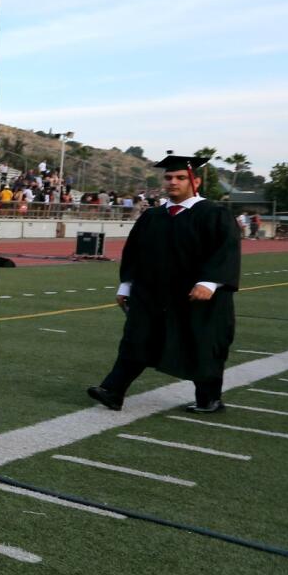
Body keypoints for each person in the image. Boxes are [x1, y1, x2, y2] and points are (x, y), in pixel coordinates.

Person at [87, 155, 241, 413]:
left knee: (202, 344)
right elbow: (134, 253)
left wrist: (209, 282)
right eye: (168, 177)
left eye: (180, 178)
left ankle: (209, 399)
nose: (173, 182)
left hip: (197, 295)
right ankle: (113, 390)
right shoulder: (152, 216)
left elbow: (225, 251)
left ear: (196, 181)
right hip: (152, 294)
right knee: (137, 339)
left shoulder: (214, 214)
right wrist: (126, 286)